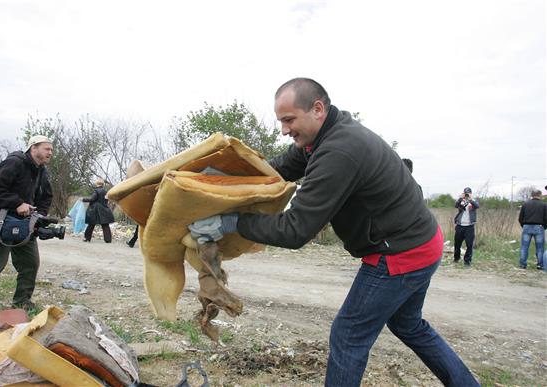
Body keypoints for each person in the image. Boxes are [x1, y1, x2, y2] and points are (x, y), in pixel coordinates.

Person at [188, 78, 479, 386]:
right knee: (409, 325)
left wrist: (230, 223)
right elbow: (274, 173)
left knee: (348, 335)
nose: (284, 130)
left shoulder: (339, 151)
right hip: (422, 240)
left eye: (289, 120)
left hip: (401, 253)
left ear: (317, 109)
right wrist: (226, 178)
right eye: (281, 121)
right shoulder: (318, 140)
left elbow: (295, 229)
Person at [0, 135, 53, 310]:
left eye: (51, 149)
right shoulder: (15, 163)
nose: (50, 152)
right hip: (0, 222)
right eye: (47, 148)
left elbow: (46, 197)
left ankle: (22, 303)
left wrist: (40, 216)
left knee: (30, 264)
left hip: (25, 225)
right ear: (33, 147)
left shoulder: (42, 171)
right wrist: (17, 203)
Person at [517, 189, 547, 269]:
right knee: (540, 248)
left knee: (524, 246)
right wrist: (544, 226)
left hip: (527, 226)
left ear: (532, 195)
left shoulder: (525, 204)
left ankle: (522, 264)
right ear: (540, 195)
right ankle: (540, 265)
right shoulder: (544, 205)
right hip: (539, 227)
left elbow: (520, 218)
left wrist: (524, 225)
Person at [453, 187, 479, 266]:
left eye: (468, 193)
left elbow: (477, 206)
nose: (467, 194)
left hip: (469, 227)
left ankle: (467, 261)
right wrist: (461, 198)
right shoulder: (461, 201)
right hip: (460, 225)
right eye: (465, 193)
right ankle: (456, 258)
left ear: (471, 193)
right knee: (457, 244)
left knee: (469, 245)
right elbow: (456, 205)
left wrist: (470, 199)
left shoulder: (474, 201)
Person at [82, 178, 115, 243]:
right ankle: (108, 240)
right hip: (104, 209)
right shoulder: (106, 192)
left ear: (97, 184)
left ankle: (87, 238)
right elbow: (106, 200)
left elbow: (92, 199)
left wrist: (83, 199)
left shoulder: (96, 191)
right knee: (105, 225)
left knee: (91, 224)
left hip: (95, 210)